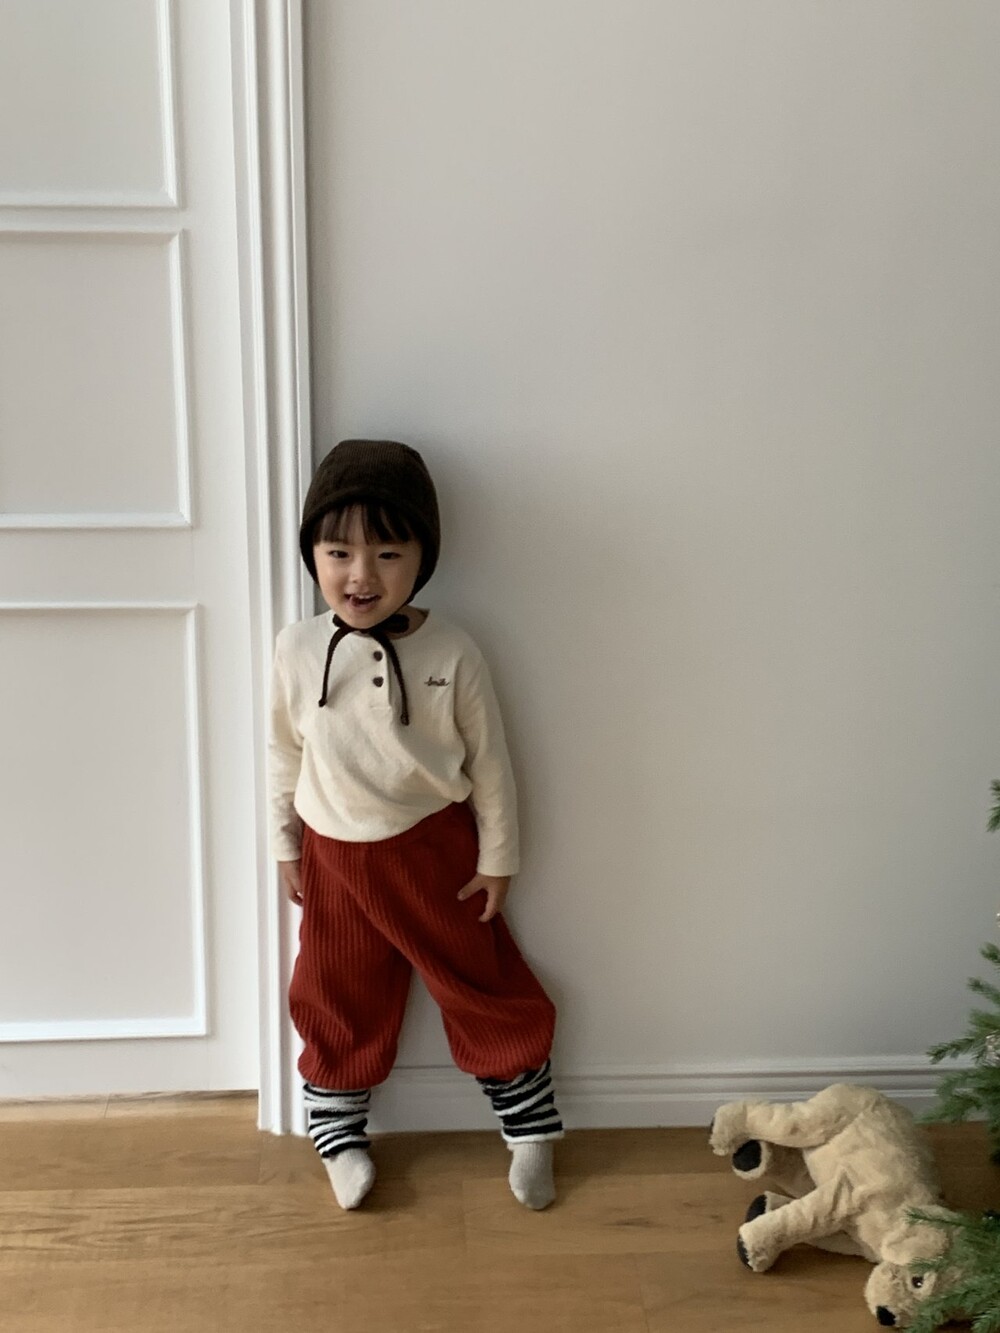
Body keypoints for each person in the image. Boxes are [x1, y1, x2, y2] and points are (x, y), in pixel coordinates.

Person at [268, 439, 563, 1211]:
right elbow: (282, 751)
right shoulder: (296, 648)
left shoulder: (453, 650)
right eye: (338, 553)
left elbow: (491, 761)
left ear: (422, 558)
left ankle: (529, 1126)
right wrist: (284, 843)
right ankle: (338, 1133)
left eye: (388, 554)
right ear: (314, 554)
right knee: (335, 988)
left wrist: (498, 857)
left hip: (435, 849)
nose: (360, 575)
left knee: (478, 977)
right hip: (333, 854)